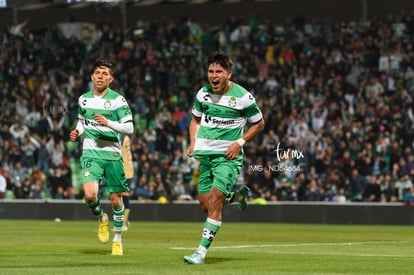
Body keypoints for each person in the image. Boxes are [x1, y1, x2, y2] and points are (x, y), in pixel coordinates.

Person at [184, 52, 265, 265]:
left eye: (218, 71)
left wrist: (239, 143)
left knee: (214, 201)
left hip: (228, 157)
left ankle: (200, 253)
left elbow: (259, 124)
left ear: (228, 74)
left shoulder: (243, 97)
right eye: (211, 71)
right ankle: (236, 198)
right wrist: (193, 142)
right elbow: (195, 121)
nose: (214, 75)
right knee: (205, 205)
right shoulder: (202, 94)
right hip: (206, 157)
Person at [69, 59, 133, 256]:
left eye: (105, 73)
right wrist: (77, 132)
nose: (100, 76)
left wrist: (108, 123)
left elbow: (129, 127)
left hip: (112, 155)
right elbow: (82, 121)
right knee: (89, 195)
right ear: (92, 76)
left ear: (111, 79)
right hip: (91, 153)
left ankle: (117, 239)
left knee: (116, 200)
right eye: (98, 72)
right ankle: (102, 218)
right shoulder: (84, 99)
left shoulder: (118, 100)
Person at [121, 134, 134, 231]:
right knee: (119, 195)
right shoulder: (125, 136)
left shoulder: (121, 137)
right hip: (126, 169)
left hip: (125, 171)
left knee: (124, 195)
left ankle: (124, 223)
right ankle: (124, 221)